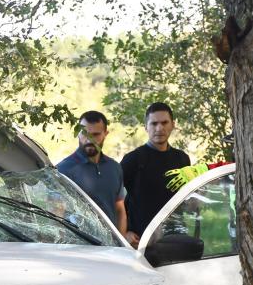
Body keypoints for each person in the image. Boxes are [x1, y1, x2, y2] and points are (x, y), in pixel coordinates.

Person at [121, 102, 190, 247]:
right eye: (154, 123)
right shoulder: (132, 159)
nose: (159, 128)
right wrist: (124, 232)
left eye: (164, 123)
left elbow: (185, 199)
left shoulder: (182, 158)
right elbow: (115, 201)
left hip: (175, 237)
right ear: (146, 127)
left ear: (173, 124)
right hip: (140, 241)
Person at [56, 111, 127, 236]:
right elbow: (56, 215)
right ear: (78, 133)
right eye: (85, 134)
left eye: (96, 134)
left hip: (112, 249)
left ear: (105, 134)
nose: (90, 139)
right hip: (78, 247)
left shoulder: (115, 168)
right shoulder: (63, 169)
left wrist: (122, 246)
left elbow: (119, 209)